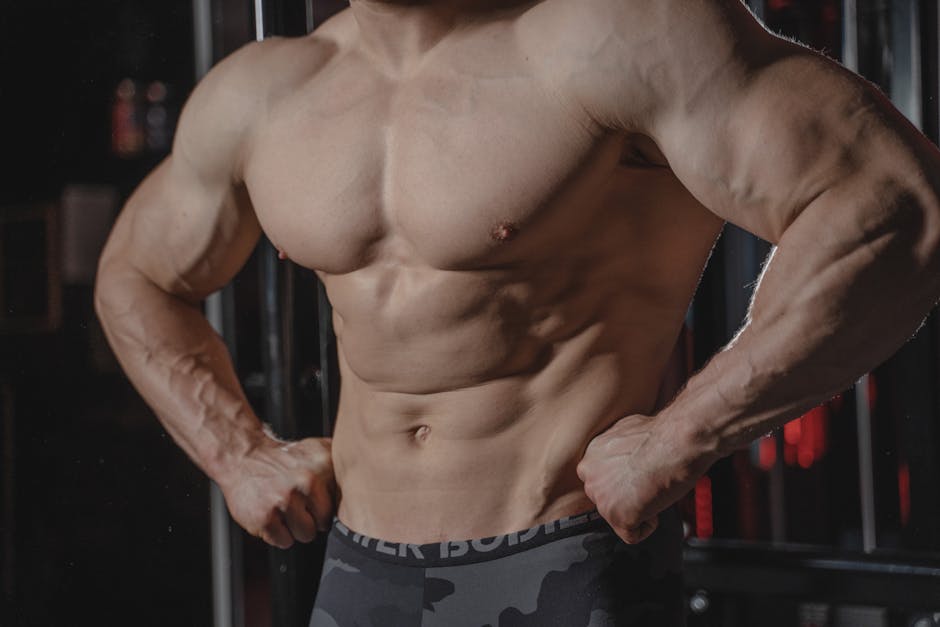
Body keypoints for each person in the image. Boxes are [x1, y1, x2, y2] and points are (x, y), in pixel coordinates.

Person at [94, 0, 940, 624]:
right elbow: (136, 272)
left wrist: (681, 439)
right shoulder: (265, 91)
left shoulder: (620, 37)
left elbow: (898, 207)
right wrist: (239, 457)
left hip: (562, 563)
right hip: (356, 572)